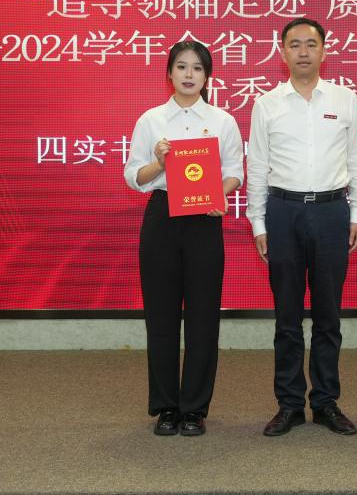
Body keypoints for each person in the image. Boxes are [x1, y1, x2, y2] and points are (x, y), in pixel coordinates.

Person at [247, 17, 357, 436]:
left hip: (332, 211)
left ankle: (326, 402)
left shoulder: (345, 99)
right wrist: (258, 221)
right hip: (283, 211)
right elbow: (257, 166)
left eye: (311, 44)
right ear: (282, 52)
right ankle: (289, 405)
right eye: (295, 44)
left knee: (327, 315)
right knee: (287, 317)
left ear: (324, 51)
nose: (303, 51)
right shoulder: (267, 104)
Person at [124, 40, 244, 437]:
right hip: (162, 217)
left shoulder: (223, 121)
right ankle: (165, 407)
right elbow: (134, 177)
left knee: (203, 317)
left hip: (204, 220)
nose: (189, 74)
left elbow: (234, 172)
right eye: (181, 66)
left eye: (197, 68)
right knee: (160, 316)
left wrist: (218, 196)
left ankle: (194, 408)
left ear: (207, 76)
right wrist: (159, 162)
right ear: (169, 73)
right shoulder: (151, 120)